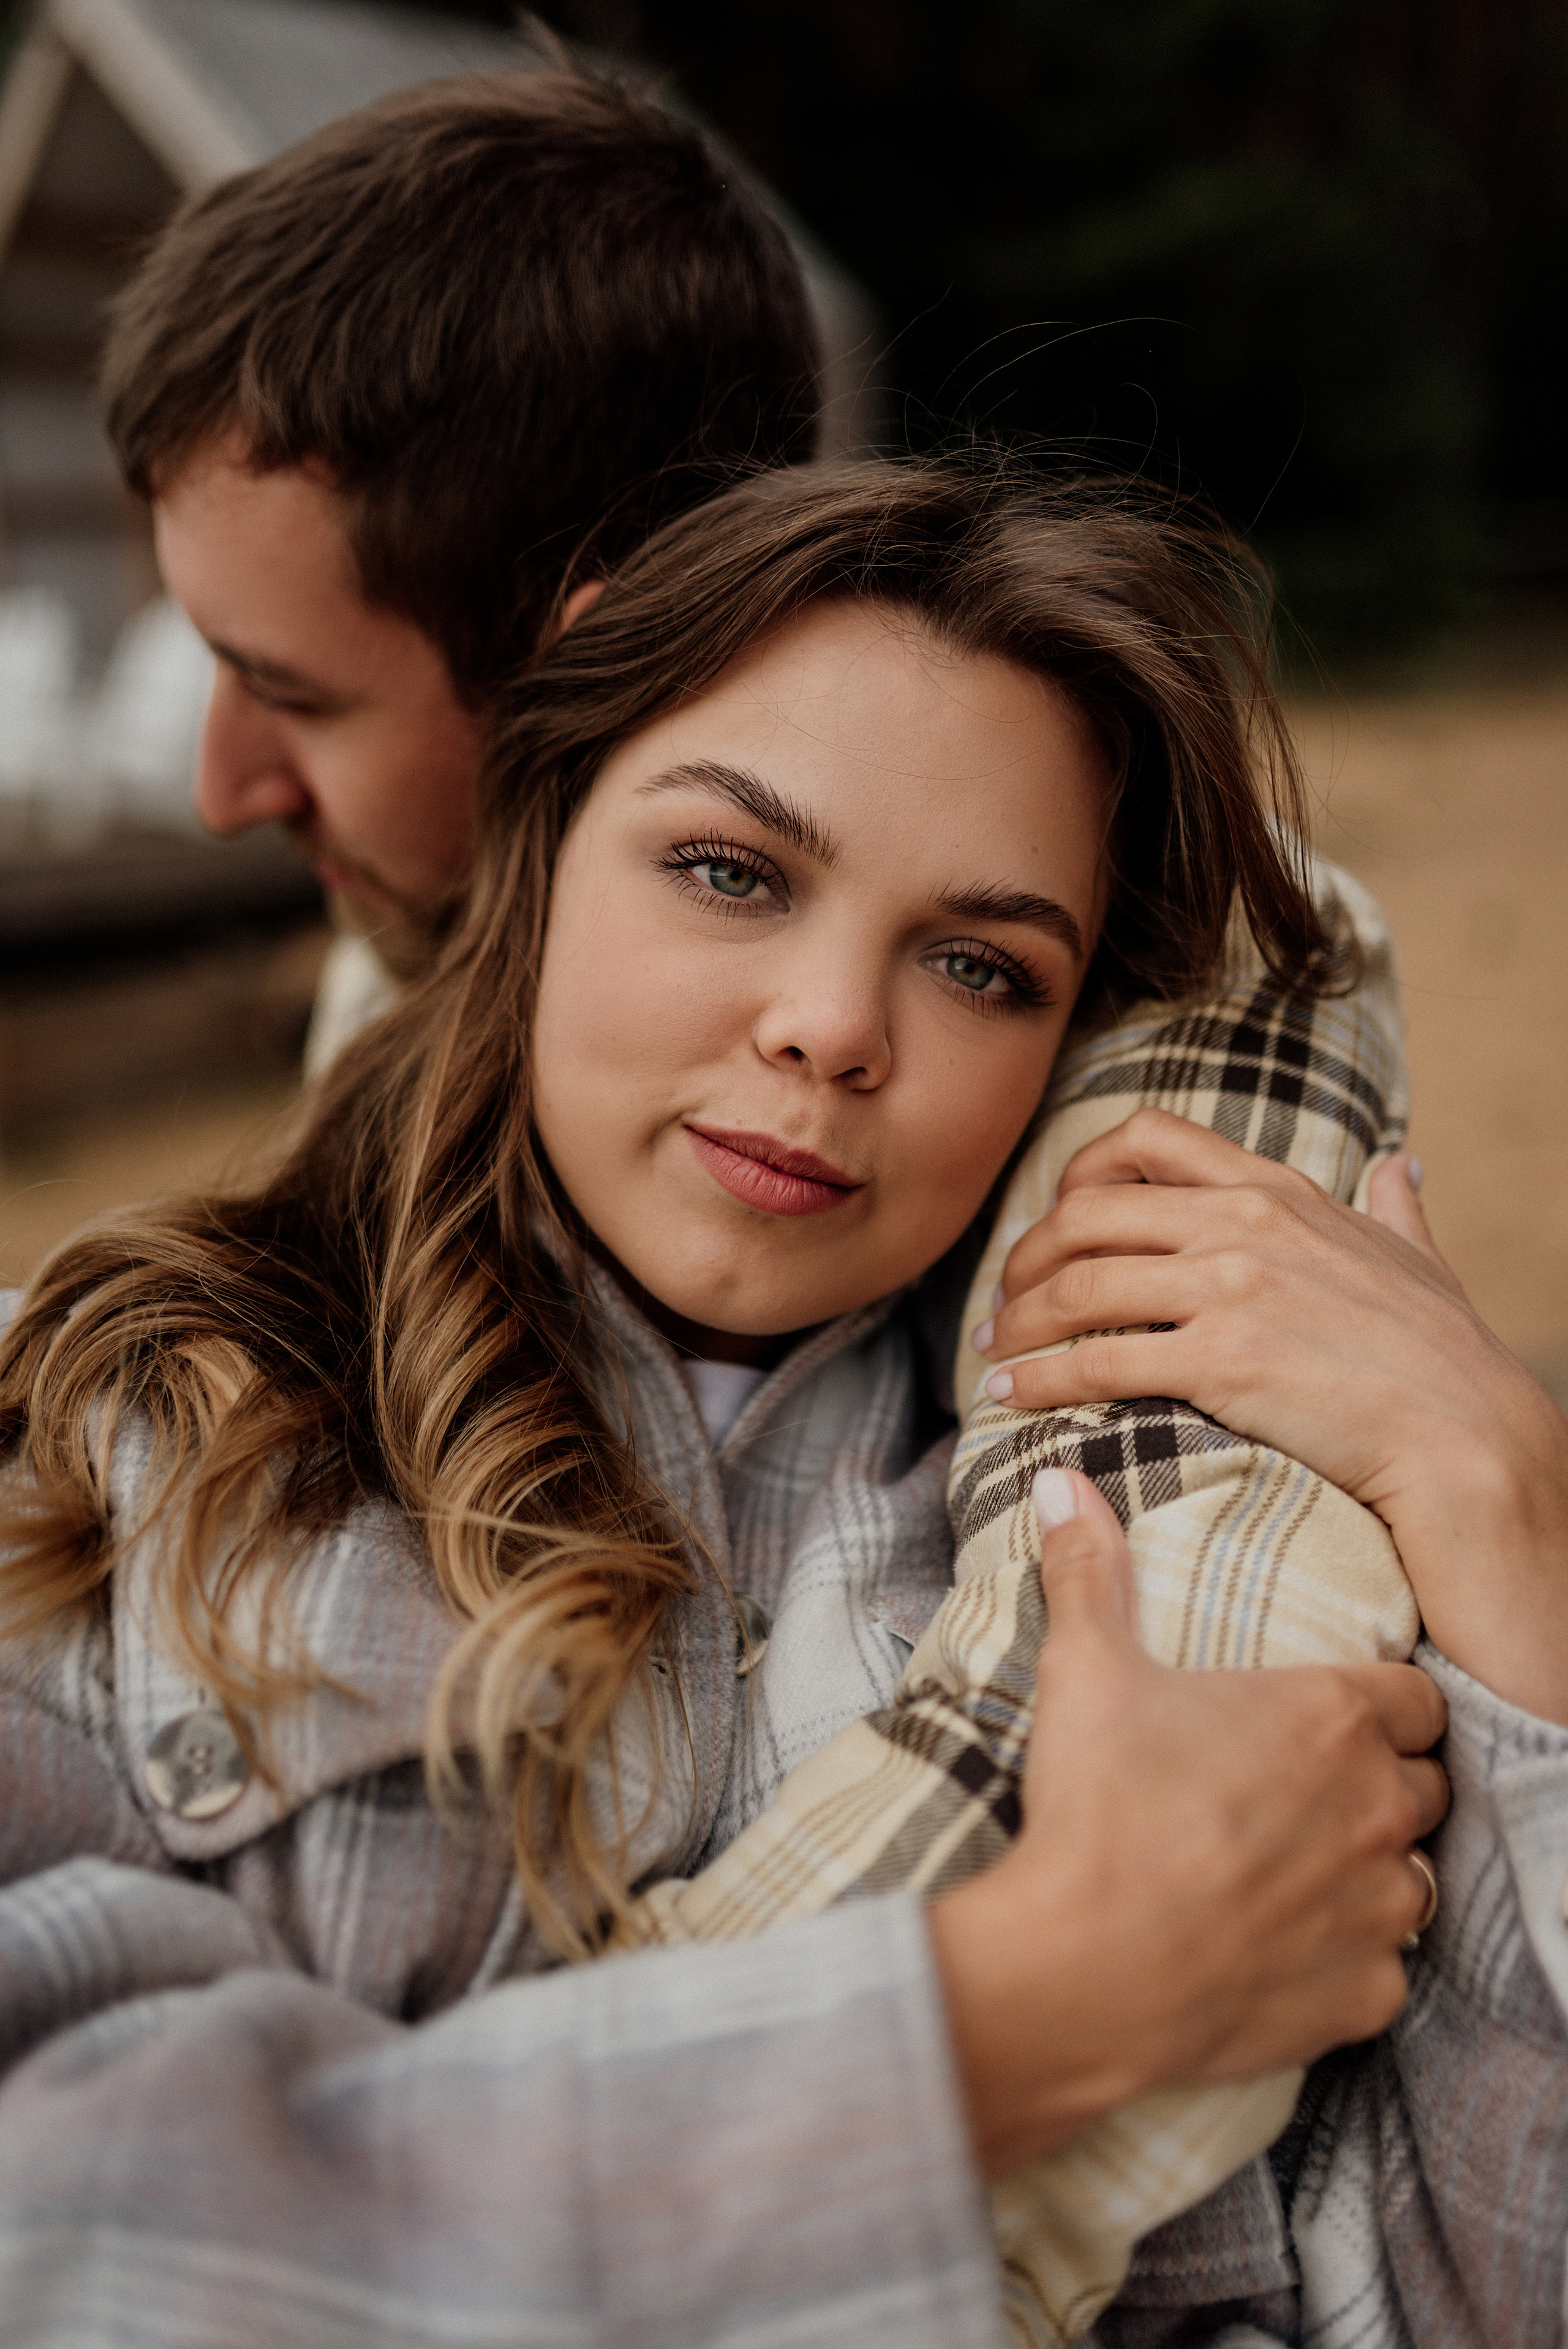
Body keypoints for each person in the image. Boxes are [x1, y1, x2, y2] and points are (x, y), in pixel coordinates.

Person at [1, 458, 1564, 2348]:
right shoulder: (113, 1437)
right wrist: (1011, 2013)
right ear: (543, 836)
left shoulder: (1209, 1539)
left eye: (982, 964)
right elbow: (70, 2240)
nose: (836, 1024)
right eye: (732, 870)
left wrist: (1506, 1523)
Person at [98, 53, 823, 1067]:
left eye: (296, 697)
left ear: (604, 668)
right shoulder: (383, 992)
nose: (221, 796)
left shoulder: (1062, 1177)